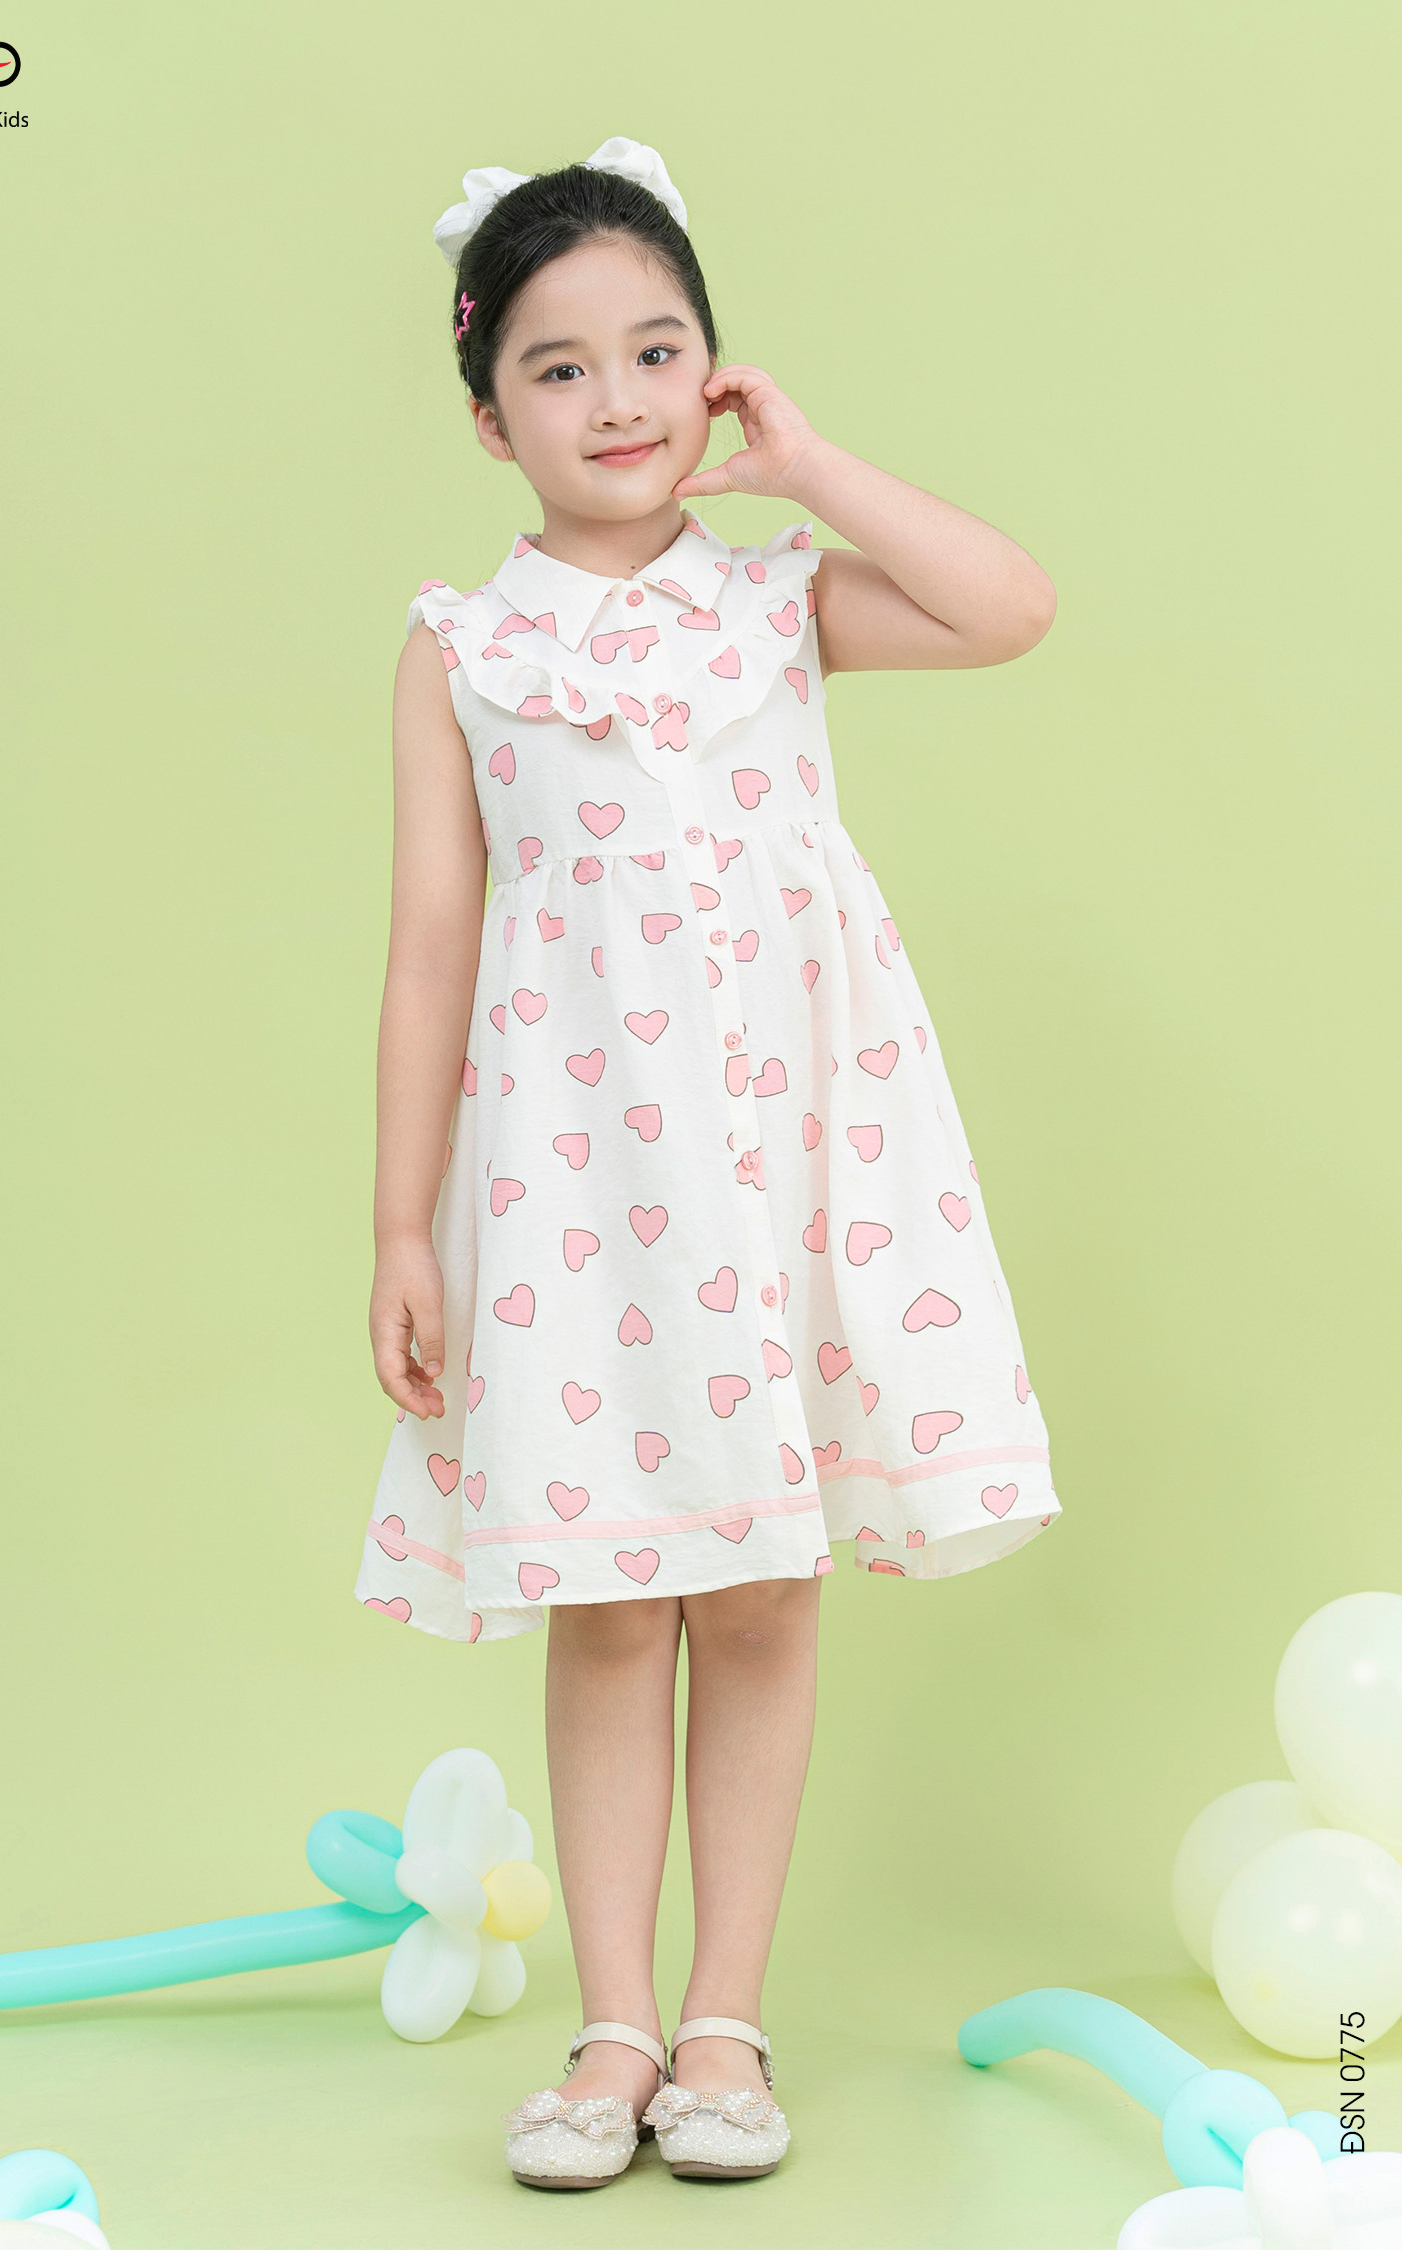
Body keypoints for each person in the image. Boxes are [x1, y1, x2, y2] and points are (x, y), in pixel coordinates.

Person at [354, 135, 1064, 2190]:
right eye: (561, 366)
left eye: (660, 349)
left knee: (758, 1589)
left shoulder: (775, 605)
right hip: (575, 1187)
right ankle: (612, 2025)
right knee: (608, 1595)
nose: (621, 399)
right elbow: (428, 950)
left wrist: (811, 467)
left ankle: (725, 2026)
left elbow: (1011, 607)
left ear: (718, 371)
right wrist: (400, 1223)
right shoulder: (463, 651)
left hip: (778, 1159)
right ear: (488, 414)